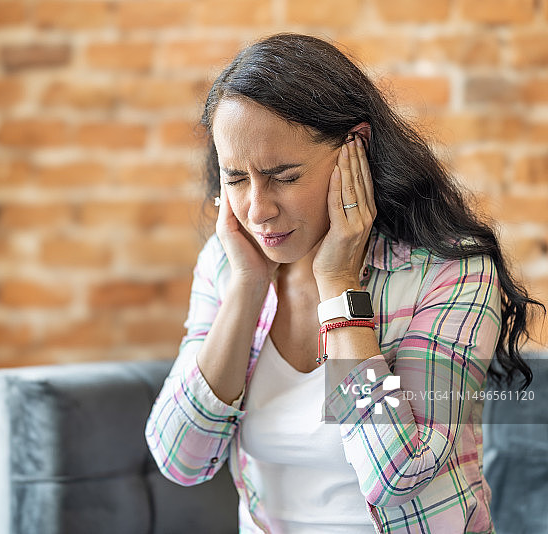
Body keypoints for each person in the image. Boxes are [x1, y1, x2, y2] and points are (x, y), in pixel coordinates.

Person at [144, 33, 543, 534]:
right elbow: (180, 459)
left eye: (284, 176)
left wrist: (339, 289)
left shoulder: (450, 272)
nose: (259, 210)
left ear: (356, 149)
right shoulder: (228, 264)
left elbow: (398, 474)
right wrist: (247, 287)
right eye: (236, 179)